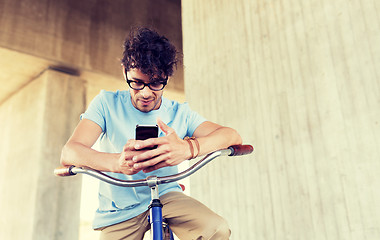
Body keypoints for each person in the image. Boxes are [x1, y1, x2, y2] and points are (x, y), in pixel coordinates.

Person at [60, 27, 242, 240]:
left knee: (216, 229)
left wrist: (189, 149)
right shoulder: (106, 104)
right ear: (124, 71)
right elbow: (69, 152)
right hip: (119, 209)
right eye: (136, 82)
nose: (146, 93)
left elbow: (232, 136)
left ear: (167, 77)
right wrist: (116, 163)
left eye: (156, 83)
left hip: (167, 196)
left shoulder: (179, 112)